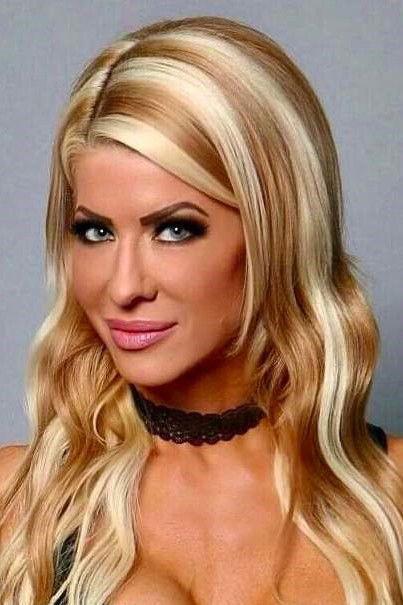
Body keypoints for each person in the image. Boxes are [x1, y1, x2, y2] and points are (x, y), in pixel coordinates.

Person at [0, 15, 402, 605]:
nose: (123, 286)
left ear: (276, 236)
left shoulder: (391, 503)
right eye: (95, 232)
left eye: (174, 229)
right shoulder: (18, 505)